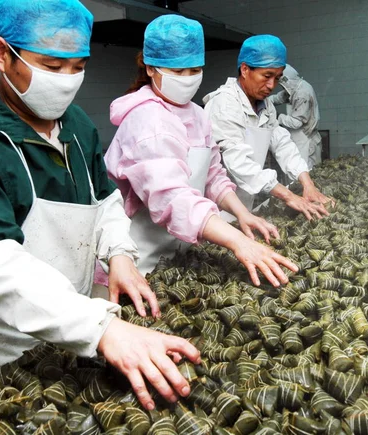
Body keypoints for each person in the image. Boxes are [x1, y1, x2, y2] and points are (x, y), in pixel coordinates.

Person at [0, 0, 199, 411]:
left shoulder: (76, 124)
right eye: (51, 66)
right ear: (1, 54)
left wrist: (119, 253)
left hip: (80, 327)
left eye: (77, 66)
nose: (66, 81)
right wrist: (103, 329)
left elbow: (106, 198)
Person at [102, 15, 297, 287]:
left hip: (178, 252)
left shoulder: (197, 115)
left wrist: (242, 214)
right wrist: (236, 240)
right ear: (150, 69)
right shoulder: (146, 119)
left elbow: (212, 176)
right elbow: (172, 197)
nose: (187, 79)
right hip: (137, 259)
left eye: (194, 70)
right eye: (178, 72)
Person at [203, 35, 333, 220]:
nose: (272, 85)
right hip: (216, 206)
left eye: (277, 78)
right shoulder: (224, 104)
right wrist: (289, 196)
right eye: (266, 76)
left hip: (244, 202)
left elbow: (282, 144)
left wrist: (307, 184)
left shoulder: (265, 105)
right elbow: (238, 162)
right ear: (245, 69)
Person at [270, 64, 322, 169]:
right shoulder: (295, 87)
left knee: (304, 173)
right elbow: (278, 98)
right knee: (296, 171)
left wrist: (278, 117)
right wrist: (263, 101)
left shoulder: (302, 93)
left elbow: (296, 122)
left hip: (305, 141)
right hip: (298, 139)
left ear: (287, 80)